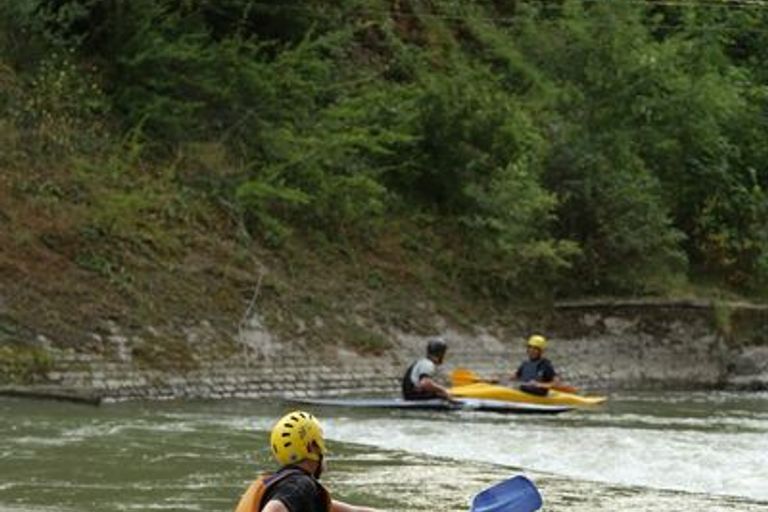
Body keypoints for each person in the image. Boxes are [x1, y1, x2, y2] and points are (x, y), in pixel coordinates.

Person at [234, 410, 378, 512]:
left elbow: (352, 511)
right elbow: (274, 509)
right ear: (312, 446)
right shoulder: (300, 485)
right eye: (320, 441)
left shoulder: (287, 485)